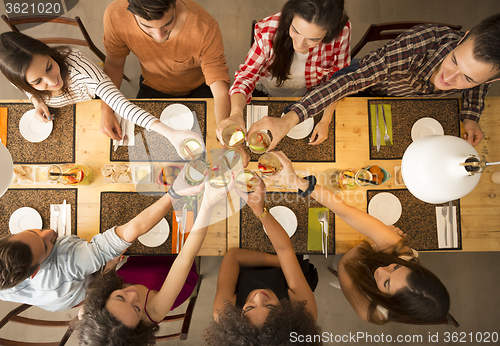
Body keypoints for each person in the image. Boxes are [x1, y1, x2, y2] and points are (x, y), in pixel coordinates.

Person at [249, 13, 500, 149]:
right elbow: (348, 81)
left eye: (468, 78)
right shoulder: (417, 46)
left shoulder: (483, 72)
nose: (449, 78)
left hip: (407, 102)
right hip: (369, 86)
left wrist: (470, 115)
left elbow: (482, 83)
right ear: (463, 38)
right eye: (454, 60)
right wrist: (289, 119)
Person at [267, 151, 450, 324]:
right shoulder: (400, 251)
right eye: (395, 266)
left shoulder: (370, 312)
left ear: (389, 302)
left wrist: (370, 243)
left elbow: (344, 266)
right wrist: (297, 181)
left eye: (386, 282)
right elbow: (345, 211)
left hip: (352, 266)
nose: (382, 270)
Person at [0, 166, 197, 311]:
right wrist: (176, 192)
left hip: (49, 297)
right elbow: (133, 229)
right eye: (46, 244)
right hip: (80, 291)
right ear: (34, 272)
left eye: (35, 231)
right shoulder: (70, 263)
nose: (50, 232)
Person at [76, 178, 231, 345]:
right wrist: (208, 204)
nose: (133, 294)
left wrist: (112, 265)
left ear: (101, 299)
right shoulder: (155, 311)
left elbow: (103, 280)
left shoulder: (90, 311)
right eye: (136, 308)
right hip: (171, 270)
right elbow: (185, 258)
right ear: (141, 326)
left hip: (137, 265)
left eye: (120, 297)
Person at [0, 32, 202, 156]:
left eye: (49, 67)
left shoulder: (80, 70)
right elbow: (25, 90)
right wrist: (36, 101)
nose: (52, 81)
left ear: (48, 53)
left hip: (91, 101)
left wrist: (171, 134)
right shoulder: (20, 79)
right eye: (38, 82)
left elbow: (123, 105)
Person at [203, 178, 321, 345]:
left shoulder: (223, 315)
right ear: (287, 317)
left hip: (257, 255)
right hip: (284, 252)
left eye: (249, 308)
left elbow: (233, 256)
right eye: (271, 307)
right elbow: (285, 249)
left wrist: (286, 264)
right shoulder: (303, 312)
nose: (258, 297)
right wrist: (260, 211)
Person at [219, 0, 350, 150]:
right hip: (267, 91)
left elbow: (338, 79)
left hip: (313, 97)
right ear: (290, 17)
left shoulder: (342, 31)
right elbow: (246, 77)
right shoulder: (268, 31)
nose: (299, 45)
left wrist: (326, 120)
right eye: (295, 31)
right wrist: (235, 113)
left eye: (313, 39)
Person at [101, 0, 231, 141]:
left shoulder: (205, 27)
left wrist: (224, 132)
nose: (159, 37)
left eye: (167, 24)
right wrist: (106, 110)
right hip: (152, 86)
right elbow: (114, 65)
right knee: (144, 147)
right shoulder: (116, 16)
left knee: (208, 141)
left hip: (200, 87)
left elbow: (219, 85)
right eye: (147, 27)